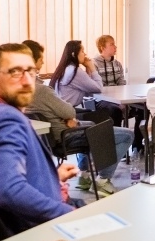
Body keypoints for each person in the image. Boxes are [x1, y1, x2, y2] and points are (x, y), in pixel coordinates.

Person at [0, 43, 77, 234]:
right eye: (15, 72)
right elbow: (9, 191)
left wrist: (50, 176)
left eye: (31, 71)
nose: (27, 81)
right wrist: (68, 214)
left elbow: (5, 170)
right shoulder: (6, 120)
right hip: (32, 234)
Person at [48, 40, 134, 194]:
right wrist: (92, 69)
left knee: (93, 121)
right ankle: (103, 179)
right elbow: (98, 88)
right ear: (75, 54)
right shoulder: (74, 71)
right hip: (70, 124)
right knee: (127, 135)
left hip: (65, 123)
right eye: (83, 52)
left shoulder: (64, 70)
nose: (85, 55)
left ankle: (85, 175)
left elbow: (87, 90)